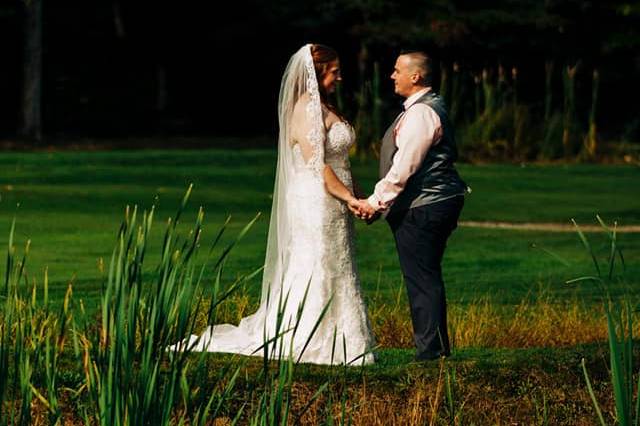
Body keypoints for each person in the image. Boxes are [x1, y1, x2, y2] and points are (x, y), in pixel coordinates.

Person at [172, 44, 375, 365]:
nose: (339, 76)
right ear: (318, 71)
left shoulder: (326, 107)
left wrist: (360, 198)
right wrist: (350, 198)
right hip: (317, 201)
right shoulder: (305, 110)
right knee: (317, 262)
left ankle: (347, 338)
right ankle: (313, 337)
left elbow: (341, 164)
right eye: (335, 71)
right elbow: (319, 168)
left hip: (337, 201)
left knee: (340, 262)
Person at [358, 51, 467, 361]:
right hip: (434, 202)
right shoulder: (427, 107)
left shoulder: (421, 114)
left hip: (425, 205)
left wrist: (375, 203)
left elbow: (404, 166)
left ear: (415, 76)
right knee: (425, 275)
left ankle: (431, 353)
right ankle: (435, 349)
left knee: (421, 277)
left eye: (397, 71)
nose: (392, 76)